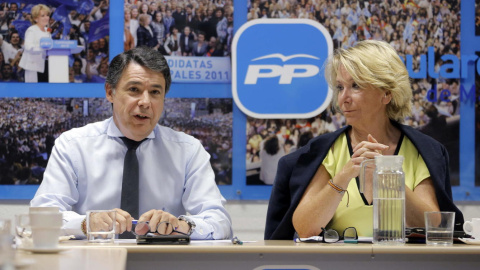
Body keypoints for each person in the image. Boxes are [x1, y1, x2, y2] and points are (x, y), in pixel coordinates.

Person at [264, 40, 464, 240]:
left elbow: (432, 225)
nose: (344, 98)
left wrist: (389, 177)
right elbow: (305, 228)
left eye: (355, 86)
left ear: (386, 94)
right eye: (340, 87)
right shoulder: (327, 151)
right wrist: (343, 176)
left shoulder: (422, 150)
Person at [31, 46, 233, 240]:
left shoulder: (188, 150)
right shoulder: (73, 146)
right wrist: (87, 223)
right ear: (110, 92)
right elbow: (42, 216)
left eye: (155, 92)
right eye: (134, 89)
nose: (145, 102)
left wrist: (181, 225)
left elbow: (220, 221)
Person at [18, 4, 51, 83]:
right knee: (33, 92)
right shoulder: (32, 30)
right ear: (36, 18)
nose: (46, 18)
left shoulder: (47, 31)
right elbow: (28, 47)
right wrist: (43, 49)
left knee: (43, 92)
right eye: (43, 16)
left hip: (45, 64)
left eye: (47, 15)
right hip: (32, 66)